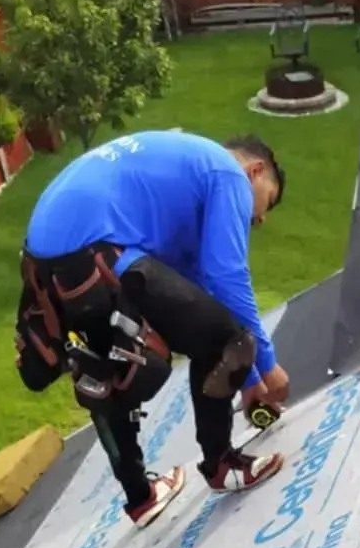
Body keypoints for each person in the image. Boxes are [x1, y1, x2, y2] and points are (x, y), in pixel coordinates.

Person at [15, 131, 292, 527]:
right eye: (268, 199)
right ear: (256, 170)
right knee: (228, 337)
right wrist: (265, 365)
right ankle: (221, 464)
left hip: (48, 259)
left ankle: (141, 498)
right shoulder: (228, 173)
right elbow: (227, 276)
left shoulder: (180, 177)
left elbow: (198, 285)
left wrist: (246, 379)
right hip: (94, 249)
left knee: (106, 372)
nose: (261, 217)